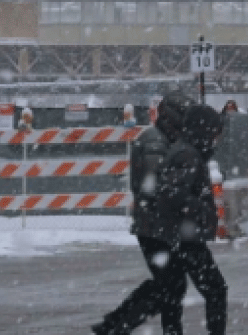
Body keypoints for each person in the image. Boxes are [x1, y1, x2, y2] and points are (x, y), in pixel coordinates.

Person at [93, 101, 228, 335]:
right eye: (214, 132)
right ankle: (116, 325)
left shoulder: (182, 148)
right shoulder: (181, 151)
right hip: (178, 233)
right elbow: (167, 192)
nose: (216, 139)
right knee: (197, 288)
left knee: (171, 288)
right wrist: (199, 211)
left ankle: (121, 326)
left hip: (173, 231)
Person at [93, 87, 190, 335]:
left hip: (156, 225)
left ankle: (116, 324)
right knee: (171, 284)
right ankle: (118, 326)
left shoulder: (163, 139)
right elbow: (156, 184)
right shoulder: (156, 142)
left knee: (169, 283)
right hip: (155, 226)